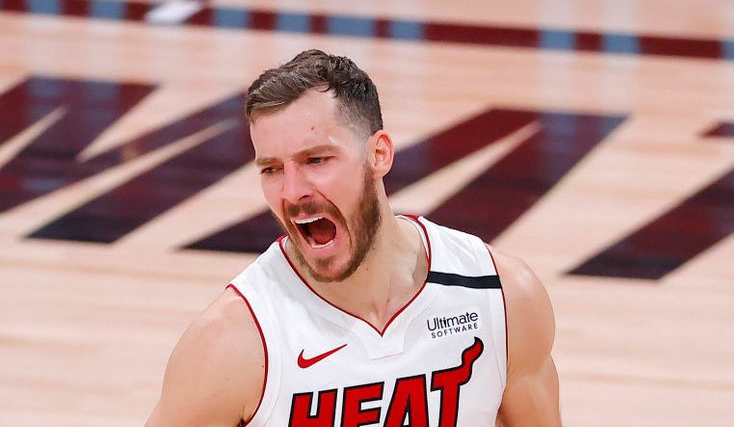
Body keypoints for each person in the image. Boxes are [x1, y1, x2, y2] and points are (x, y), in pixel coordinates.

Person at [145, 49, 560, 427]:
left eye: (316, 160)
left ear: (378, 154)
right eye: (271, 169)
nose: (292, 192)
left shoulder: (499, 296)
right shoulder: (233, 342)